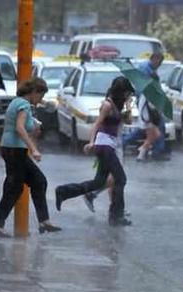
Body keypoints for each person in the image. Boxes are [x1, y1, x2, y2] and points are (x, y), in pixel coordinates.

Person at [0, 78, 61, 237]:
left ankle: (43, 221)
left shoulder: (17, 103)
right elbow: (19, 128)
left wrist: (34, 126)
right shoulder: (24, 105)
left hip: (12, 149)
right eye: (40, 96)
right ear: (33, 92)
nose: (40, 100)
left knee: (36, 182)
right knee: (15, 188)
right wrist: (34, 149)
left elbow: (21, 124)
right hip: (14, 150)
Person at [55, 77, 134, 226]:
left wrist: (129, 106)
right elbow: (97, 124)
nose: (127, 96)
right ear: (120, 91)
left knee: (99, 182)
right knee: (120, 179)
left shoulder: (118, 106)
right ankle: (116, 216)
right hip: (104, 146)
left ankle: (63, 192)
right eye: (126, 93)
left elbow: (128, 121)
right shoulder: (107, 104)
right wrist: (91, 142)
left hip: (109, 145)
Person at [132, 52, 169, 161]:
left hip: (148, 108)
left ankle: (143, 151)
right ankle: (151, 151)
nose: (160, 65)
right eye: (160, 62)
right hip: (147, 109)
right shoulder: (145, 69)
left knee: (152, 132)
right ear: (154, 59)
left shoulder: (150, 69)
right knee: (155, 130)